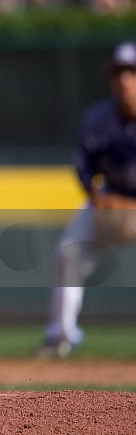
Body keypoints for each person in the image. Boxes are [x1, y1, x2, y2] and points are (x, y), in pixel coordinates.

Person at [39, 41, 136, 359]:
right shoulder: (99, 118)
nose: (124, 80)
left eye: (131, 72)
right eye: (119, 73)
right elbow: (83, 166)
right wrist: (96, 196)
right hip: (109, 203)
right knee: (68, 254)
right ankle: (61, 336)